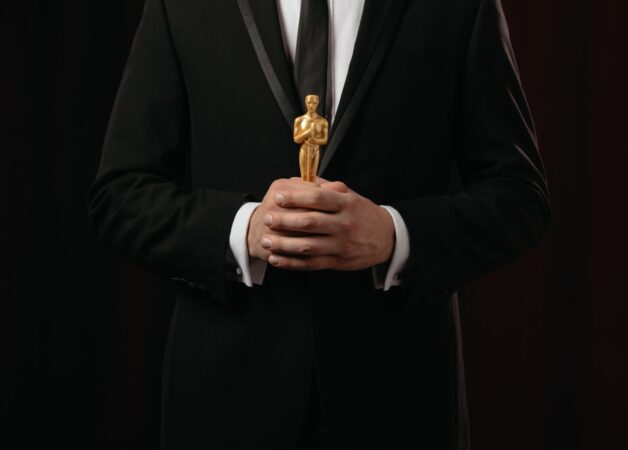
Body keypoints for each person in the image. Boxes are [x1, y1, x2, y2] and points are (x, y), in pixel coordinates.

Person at [86, 0, 550, 449]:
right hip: (223, 401)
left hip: (402, 403)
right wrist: (243, 230)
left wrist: (395, 236)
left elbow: (518, 196)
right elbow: (120, 194)